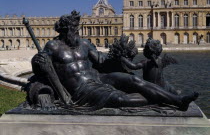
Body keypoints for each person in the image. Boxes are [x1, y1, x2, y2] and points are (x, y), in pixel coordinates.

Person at [30, 10, 198, 111]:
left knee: (133, 79)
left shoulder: (84, 43)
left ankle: (178, 101)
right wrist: (37, 62)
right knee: (120, 99)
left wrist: (120, 57)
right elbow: (40, 71)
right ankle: (164, 98)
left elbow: (102, 62)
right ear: (65, 30)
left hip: (98, 78)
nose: (77, 32)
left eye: (77, 29)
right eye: (74, 29)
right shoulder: (52, 46)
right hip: (81, 88)